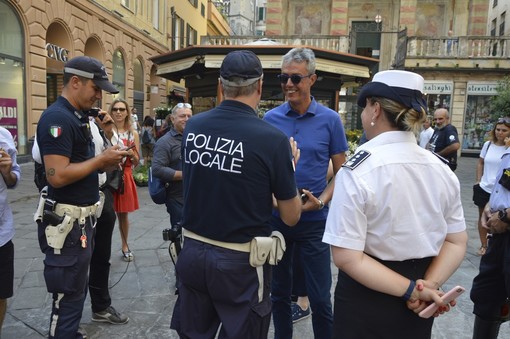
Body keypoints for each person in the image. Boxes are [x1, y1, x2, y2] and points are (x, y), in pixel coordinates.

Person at [322, 70, 468, 339]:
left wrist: (417, 290)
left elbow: (346, 256)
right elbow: (456, 241)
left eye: (365, 107)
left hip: (366, 297)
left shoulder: (357, 170)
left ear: (375, 109)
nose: (365, 115)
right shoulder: (441, 169)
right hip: (422, 294)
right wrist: (427, 287)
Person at [170, 50, 302, 338]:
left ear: (220, 86)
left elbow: (209, 182)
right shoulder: (272, 140)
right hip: (239, 264)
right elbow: (291, 216)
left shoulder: (194, 126)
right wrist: (288, 167)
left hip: (192, 251)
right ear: (260, 85)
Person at [35, 55, 129, 338]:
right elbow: (57, 175)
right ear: (75, 82)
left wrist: (105, 154)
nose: (99, 95)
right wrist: (101, 161)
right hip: (67, 226)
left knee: (75, 292)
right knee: (67, 298)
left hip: (81, 224)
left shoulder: (77, 117)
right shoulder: (57, 118)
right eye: (95, 88)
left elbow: (79, 165)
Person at [263, 47, 347, 338]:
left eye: (295, 79)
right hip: (278, 220)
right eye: (283, 77)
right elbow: (261, 172)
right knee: (278, 293)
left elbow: (343, 172)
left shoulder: (330, 120)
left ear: (313, 79)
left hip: (315, 223)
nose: (288, 84)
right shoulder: (270, 120)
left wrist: (321, 201)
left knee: (321, 298)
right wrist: (273, 201)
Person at [471, 142, 510, 338]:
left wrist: (506, 215)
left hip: (505, 223)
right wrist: (490, 205)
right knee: (487, 294)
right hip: (499, 234)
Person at [108, 98, 140, 262]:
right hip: (107, 175)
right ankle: (102, 248)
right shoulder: (106, 131)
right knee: (105, 215)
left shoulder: (132, 133)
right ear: (111, 112)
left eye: (122, 109)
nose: (118, 112)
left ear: (127, 112)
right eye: (115, 109)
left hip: (124, 175)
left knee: (123, 215)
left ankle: (125, 245)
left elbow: (137, 161)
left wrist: (130, 154)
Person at [473, 117, 510, 256]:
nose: (500, 133)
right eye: (498, 129)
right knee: (482, 217)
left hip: (502, 190)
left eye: (504, 130)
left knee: (499, 219)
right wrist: (478, 180)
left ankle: (496, 246)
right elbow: (481, 162)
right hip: (485, 187)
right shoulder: (488, 145)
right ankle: (484, 245)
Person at [152, 103, 192, 227]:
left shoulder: (195, 138)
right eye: (182, 116)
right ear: (172, 119)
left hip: (195, 196)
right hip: (177, 199)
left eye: (189, 116)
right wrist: (187, 175)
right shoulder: (165, 142)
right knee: (180, 236)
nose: (186, 119)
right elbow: (157, 169)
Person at [0, 127, 20, 337]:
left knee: (1, 294)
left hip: (2, 234)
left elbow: (14, 178)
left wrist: (8, 173)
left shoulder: (3, 136)